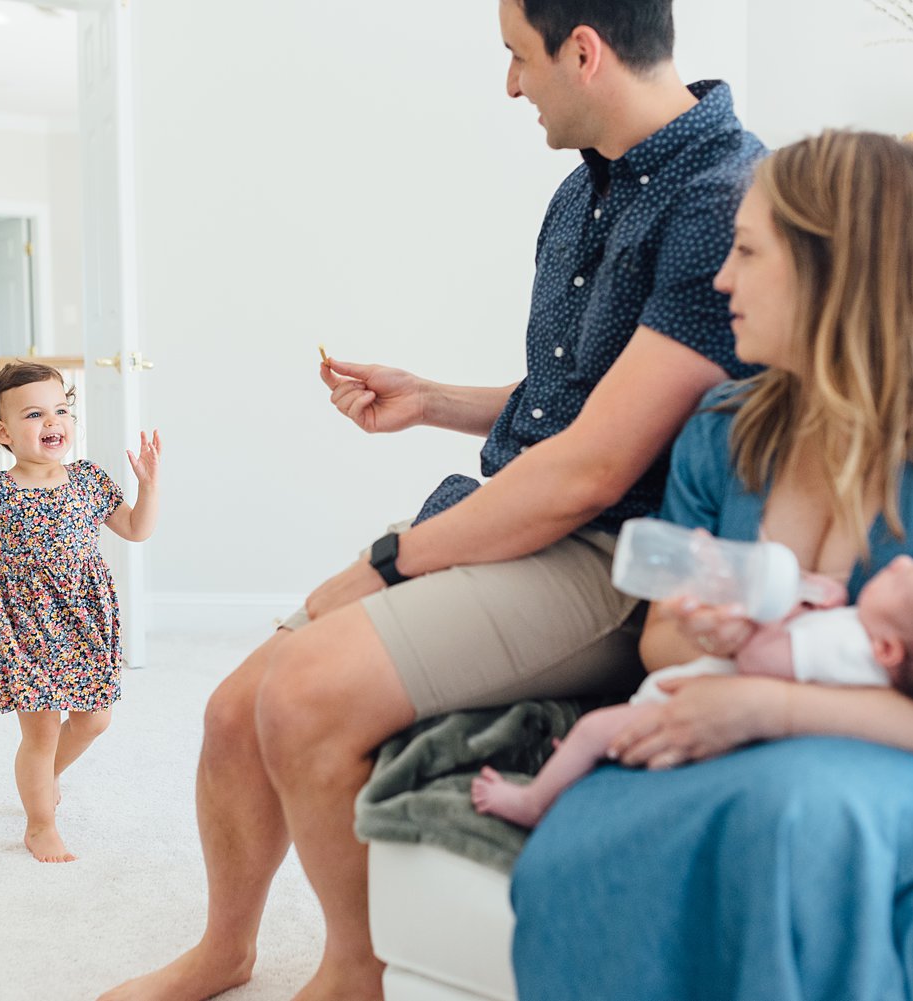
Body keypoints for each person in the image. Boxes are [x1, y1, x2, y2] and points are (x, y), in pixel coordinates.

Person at [99, 1, 765, 998]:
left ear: (583, 51)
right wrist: (434, 401)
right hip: (525, 510)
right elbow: (574, 406)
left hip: (614, 553)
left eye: (516, 58)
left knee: (304, 690)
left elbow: (593, 468)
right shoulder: (583, 192)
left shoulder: (721, 200)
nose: (509, 85)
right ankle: (226, 949)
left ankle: (353, 970)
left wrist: (387, 559)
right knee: (234, 711)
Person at [507, 129, 913, 1001]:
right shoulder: (726, 426)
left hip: (908, 759)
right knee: (569, 855)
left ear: (841, 269)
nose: (721, 281)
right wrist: (716, 628)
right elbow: (663, 643)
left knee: (789, 826)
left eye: (747, 252)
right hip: (730, 727)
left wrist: (768, 704)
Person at [472, 551, 913, 828]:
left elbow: (764, 659)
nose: (903, 562)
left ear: (890, 651)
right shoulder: (874, 659)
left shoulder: (849, 648)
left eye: (908, 578)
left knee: (595, 728)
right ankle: (582, 765)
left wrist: (772, 610)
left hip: (692, 712)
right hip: (717, 725)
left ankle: (531, 802)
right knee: (607, 735)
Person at [0, 361, 161, 864]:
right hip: (22, 624)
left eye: (61, 410)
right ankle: (39, 823)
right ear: (1, 432)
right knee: (40, 731)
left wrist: (149, 487)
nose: (53, 422)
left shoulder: (90, 480)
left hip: (86, 618)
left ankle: (46, 779)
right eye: (34, 414)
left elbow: (135, 530)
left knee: (94, 720)